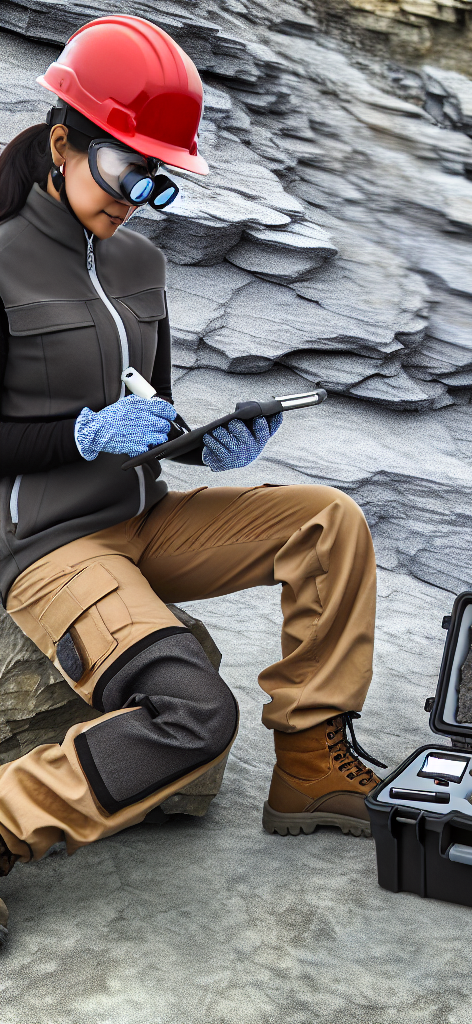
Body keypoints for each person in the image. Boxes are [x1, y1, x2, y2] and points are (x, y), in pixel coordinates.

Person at [0, 16, 382, 950]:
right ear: (63, 141)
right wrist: (82, 435)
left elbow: (151, 406)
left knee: (327, 521)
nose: (141, 198)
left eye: (160, 180)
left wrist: (198, 445)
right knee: (193, 713)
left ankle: (310, 765)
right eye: (132, 171)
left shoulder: (140, 261)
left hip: (145, 514)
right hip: (49, 546)